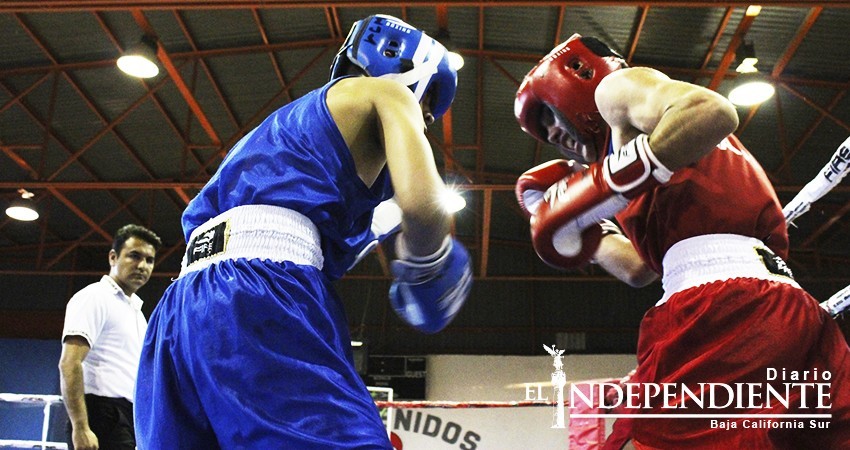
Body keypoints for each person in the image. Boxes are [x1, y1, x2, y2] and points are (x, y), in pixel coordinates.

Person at [134, 14, 472, 449]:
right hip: (261, 294)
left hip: (179, 309)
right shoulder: (388, 92)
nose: (425, 120)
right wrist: (430, 259)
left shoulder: (290, 131)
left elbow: (329, 229)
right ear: (411, 71)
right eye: (429, 105)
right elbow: (425, 206)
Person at [513, 34, 850, 448]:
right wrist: (580, 225)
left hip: (720, 311)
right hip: (781, 307)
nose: (550, 132)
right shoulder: (627, 164)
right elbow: (639, 269)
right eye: (540, 130)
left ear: (576, 76)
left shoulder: (616, 90)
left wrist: (607, 184)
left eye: (548, 112)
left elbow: (713, 111)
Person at [58, 224, 162, 450]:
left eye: (149, 260)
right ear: (113, 257)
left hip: (127, 416)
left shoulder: (137, 313)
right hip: (100, 414)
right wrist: (81, 427)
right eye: (134, 256)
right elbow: (69, 362)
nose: (142, 265)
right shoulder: (94, 297)